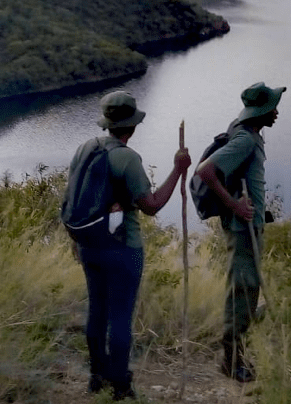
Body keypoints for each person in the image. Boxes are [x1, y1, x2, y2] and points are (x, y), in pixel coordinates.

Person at [65, 91, 191, 400]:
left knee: (97, 310)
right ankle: (120, 385)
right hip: (123, 249)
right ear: (132, 127)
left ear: (107, 123)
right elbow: (151, 205)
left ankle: (97, 377)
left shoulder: (85, 148)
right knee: (120, 317)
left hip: (88, 244)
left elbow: (75, 196)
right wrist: (178, 168)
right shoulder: (127, 158)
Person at [192, 81, 286, 383]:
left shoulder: (250, 132)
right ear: (260, 111)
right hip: (242, 228)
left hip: (250, 225)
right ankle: (232, 362)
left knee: (249, 289)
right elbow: (205, 171)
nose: (276, 112)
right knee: (242, 292)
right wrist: (234, 205)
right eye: (272, 107)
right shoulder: (244, 139)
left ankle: (240, 353)